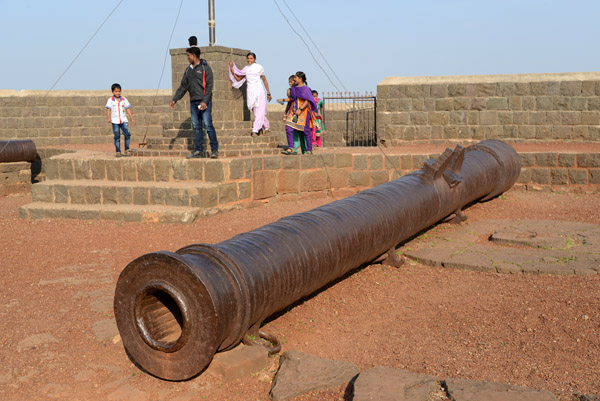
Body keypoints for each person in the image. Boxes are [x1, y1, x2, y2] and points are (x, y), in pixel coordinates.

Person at [170, 47, 219, 159]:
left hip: (204, 102)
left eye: (188, 55)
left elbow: (209, 86)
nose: (187, 58)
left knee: (208, 125)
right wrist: (175, 99)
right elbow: (183, 87)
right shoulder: (188, 70)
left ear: (194, 55)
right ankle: (198, 150)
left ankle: (214, 150)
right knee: (197, 126)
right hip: (193, 102)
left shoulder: (205, 68)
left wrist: (205, 101)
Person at [228, 52, 272, 137]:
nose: (249, 60)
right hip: (250, 91)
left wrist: (268, 92)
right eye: (248, 58)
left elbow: (264, 80)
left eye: (251, 58)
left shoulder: (259, 67)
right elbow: (238, 78)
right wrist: (232, 70)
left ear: (255, 59)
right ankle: (266, 127)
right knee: (255, 111)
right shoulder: (246, 69)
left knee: (259, 110)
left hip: (259, 90)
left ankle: (255, 130)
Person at [281, 72, 317, 155]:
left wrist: (300, 109)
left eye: (296, 77)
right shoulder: (293, 89)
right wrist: (283, 100)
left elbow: (307, 100)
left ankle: (309, 149)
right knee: (288, 127)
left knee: (306, 131)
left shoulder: (306, 89)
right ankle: (291, 148)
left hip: (303, 112)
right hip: (293, 111)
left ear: (300, 79)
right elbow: (292, 99)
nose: (294, 79)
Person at [105, 83, 135, 157]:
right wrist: (109, 118)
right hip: (115, 121)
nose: (117, 93)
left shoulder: (124, 99)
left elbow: (127, 109)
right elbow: (108, 110)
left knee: (127, 134)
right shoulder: (110, 100)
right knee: (117, 136)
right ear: (113, 92)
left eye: (119, 91)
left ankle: (127, 149)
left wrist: (132, 118)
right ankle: (118, 151)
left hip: (123, 120)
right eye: (116, 91)